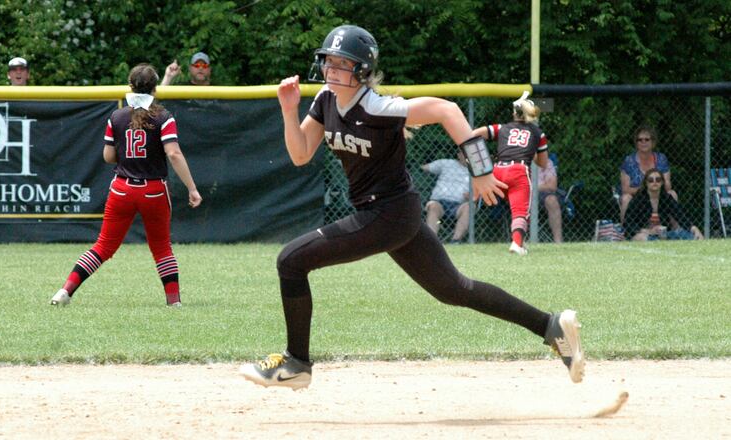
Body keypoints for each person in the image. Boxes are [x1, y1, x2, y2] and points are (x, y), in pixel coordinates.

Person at [239, 25, 584, 390]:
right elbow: (300, 153)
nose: (331, 70)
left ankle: (297, 362)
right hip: (392, 215)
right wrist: (288, 110)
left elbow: (446, 109)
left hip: (386, 215)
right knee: (455, 290)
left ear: (362, 71)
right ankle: (551, 326)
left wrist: (482, 170)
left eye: (343, 64)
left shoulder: (376, 106)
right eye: (328, 62)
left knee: (291, 260)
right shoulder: (326, 99)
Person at [50, 64, 202, 307]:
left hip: (122, 188)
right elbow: (173, 154)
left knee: (103, 247)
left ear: (131, 86)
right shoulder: (164, 117)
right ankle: (173, 302)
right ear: (154, 88)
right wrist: (192, 188)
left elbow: (108, 157)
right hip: (153, 190)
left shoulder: (117, 116)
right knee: (162, 248)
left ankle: (65, 291)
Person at [472, 92, 549, 255]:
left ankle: (474, 210)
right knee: (520, 211)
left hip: (497, 171)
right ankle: (517, 243)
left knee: (492, 205)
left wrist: (479, 161)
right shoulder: (537, 133)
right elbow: (543, 163)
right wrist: (529, 150)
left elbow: (473, 135)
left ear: (514, 113)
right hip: (518, 171)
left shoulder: (502, 128)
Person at [624, 168, 703, 241]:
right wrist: (649, 231)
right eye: (651, 180)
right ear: (646, 183)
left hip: (663, 234)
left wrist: (694, 229)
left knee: (688, 236)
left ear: (662, 182)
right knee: (643, 238)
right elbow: (628, 223)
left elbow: (681, 215)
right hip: (643, 234)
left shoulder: (666, 198)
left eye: (658, 180)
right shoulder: (638, 200)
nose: (654, 182)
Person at [619, 125, 677, 223]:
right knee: (625, 198)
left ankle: (676, 231)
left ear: (653, 142)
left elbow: (667, 185)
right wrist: (647, 188)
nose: (643, 142)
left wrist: (654, 190)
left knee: (672, 193)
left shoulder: (661, 159)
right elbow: (625, 189)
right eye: (640, 140)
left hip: (658, 197)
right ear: (636, 143)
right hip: (636, 199)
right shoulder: (629, 161)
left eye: (647, 139)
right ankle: (626, 232)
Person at [421, 150, 472, 243]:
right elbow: (423, 168)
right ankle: (431, 241)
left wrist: (472, 196)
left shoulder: (474, 171)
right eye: (463, 153)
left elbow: (478, 194)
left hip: (458, 206)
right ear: (458, 154)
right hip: (438, 202)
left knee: (469, 206)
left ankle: (455, 241)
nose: (466, 156)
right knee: (433, 206)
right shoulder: (446, 163)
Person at [537, 154, 564, 243]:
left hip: (541, 193)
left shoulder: (546, 162)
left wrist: (533, 187)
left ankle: (558, 241)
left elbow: (552, 186)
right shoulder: (518, 161)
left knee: (552, 200)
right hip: (522, 193)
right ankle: (518, 240)